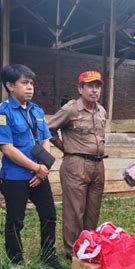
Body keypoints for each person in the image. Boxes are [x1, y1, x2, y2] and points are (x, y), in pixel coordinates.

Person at [0, 64, 62, 269]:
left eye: (31, 83)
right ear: (10, 85)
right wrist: (35, 167)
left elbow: (46, 140)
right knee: (16, 220)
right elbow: (7, 148)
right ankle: (16, 261)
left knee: (49, 214)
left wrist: (43, 168)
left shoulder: (37, 110)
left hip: (39, 174)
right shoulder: (2, 113)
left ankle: (49, 255)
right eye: (24, 83)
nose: (30, 87)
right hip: (15, 177)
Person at [47, 71, 107, 258]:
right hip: (76, 163)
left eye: (97, 86)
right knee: (75, 210)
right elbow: (48, 130)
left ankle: (89, 245)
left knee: (93, 209)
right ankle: (73, 251)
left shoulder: (101, 110)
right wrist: (65, 148)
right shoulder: (71, 109)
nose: (94, 90)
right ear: (80, 88)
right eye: (89, 85)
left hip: (98, 165)